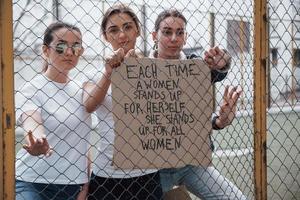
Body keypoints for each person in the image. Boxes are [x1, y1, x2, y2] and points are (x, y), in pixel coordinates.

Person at [151, 9, 248, 200]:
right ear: (155, 35)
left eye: (180, 32)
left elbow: (218, 71)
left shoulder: (193, 65)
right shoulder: (140, 68)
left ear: (185, 37)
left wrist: (223, 61)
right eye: (167, 32)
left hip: (190, 164)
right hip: (153, 170)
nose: (173, 38)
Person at [83, 4, 163, 200]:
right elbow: (89, 105)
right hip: (107, 174)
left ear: (138, 30)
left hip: (147, 173)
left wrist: (139, 72)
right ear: (105, 35)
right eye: (113, 30)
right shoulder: (95, 74)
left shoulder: (156, 70)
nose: (121, 35)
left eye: (127, 27)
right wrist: (109, 73)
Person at [15, 22, 91, 200]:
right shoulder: (32, 88)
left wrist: (85, 184)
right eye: (61, 46)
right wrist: (37, 139)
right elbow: (31, 119)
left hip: (72, 185)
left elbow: (84, 142)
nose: (69, 52)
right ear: (46, 50)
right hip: (32, 182)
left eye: (76, 47)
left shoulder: (83, 90)